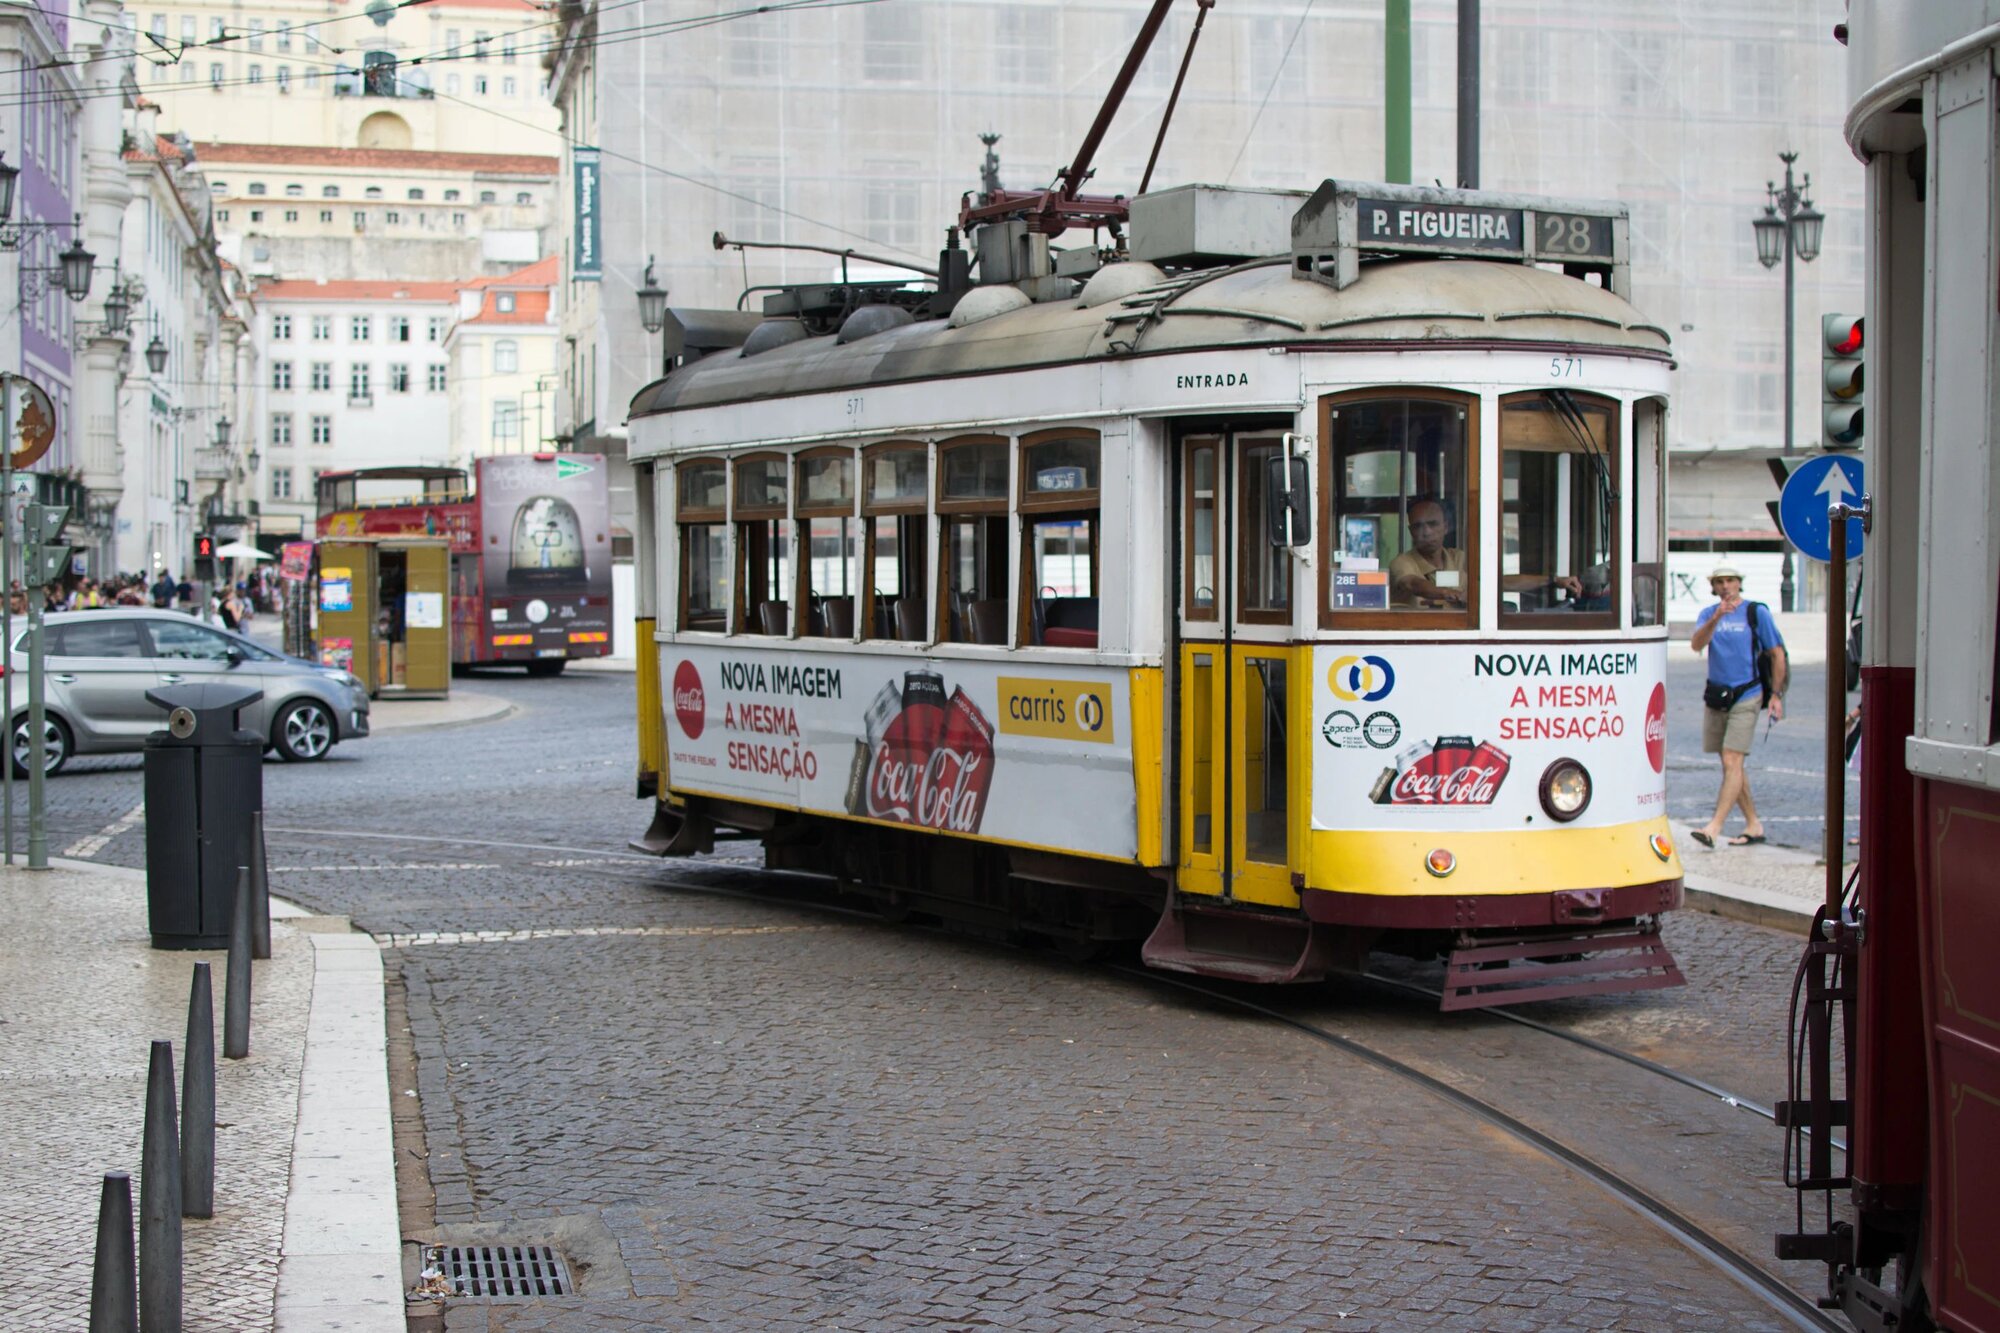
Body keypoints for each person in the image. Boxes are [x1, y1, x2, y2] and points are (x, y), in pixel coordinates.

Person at [1689, 563, 1787, 848]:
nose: (1725, 586)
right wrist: (1716, 618)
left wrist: (1776, 695)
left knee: (1733, 759)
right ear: (1714, 587)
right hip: (1718, 696)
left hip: (1748, 693)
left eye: (1730, 580)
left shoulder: (1756, 613)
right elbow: (1697, 644)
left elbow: (1776, 653)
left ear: (1739, 584)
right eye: (1720, 582)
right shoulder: (1708, 614)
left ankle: (1714, 827)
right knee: (1730, 763)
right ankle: (1753, 824)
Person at [1388, 499, 1585, 607]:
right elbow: (1412, 583)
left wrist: (1554, 580)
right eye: (1418, 526)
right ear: (1411, 531)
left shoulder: (1459, 558)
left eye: (1432, 524)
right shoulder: (1403, 562)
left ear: (1446, 527)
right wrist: (1452, 594)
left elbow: (1501, 582)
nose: (1426, 532)